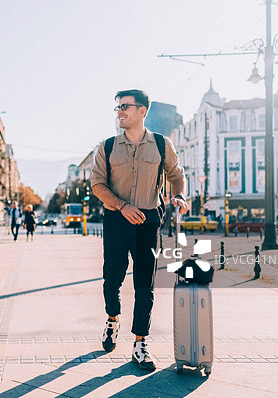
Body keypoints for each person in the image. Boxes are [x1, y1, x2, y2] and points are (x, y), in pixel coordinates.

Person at [90, 89, 188, 371]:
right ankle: (112, 319)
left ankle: (140, 343)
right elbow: (97, 185)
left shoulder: (161, 144)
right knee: (113, 278)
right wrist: (121, 206)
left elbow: (176, 175)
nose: (120, 112)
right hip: (117, 219)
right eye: (118, 107)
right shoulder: (107, 147)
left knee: (145, 284)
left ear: (142, 111)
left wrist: (178, 195)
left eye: (126, 107)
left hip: (149, 220)